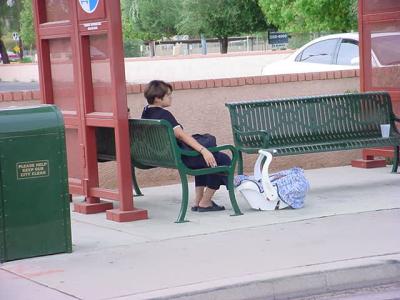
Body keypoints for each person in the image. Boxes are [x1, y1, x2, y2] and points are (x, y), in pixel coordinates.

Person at [141, 80, 230, 212]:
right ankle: (205, 202)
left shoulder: (146, 112)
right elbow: (181, 136)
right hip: (181, 157)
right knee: (222, 159)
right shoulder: (164, 115)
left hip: (165, 156)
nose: (171, 98)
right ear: (158, 98)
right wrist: (203, 149)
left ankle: (198, 201)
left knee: (204, 159)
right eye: (168, 95)